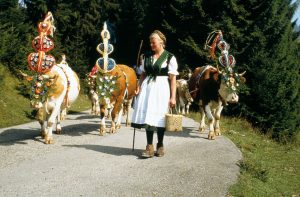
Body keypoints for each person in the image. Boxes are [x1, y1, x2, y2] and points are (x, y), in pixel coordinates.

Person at [131, 30, 179, 158]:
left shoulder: (169, 57)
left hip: (162, 89)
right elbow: (143, 74)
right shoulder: (146, 56)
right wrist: (138, 86)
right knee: (148, 117)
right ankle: (149, 147)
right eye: (150, 42)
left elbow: (173, 79)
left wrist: (173, 97)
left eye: (153, 42)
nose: (151, 45)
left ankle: (160, 145)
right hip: (147, 89)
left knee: (160, 117)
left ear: (161, 42)